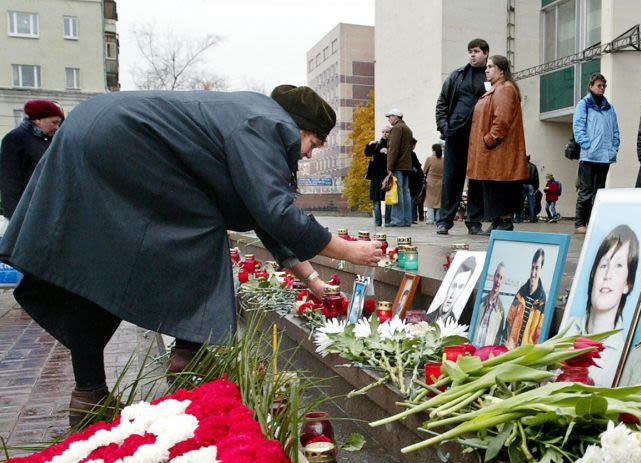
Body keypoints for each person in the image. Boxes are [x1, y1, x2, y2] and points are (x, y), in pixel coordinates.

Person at [0, 86, 385, 427]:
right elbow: (275, 210)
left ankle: (91, 394)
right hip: (122, 144)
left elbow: (264, 218)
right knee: (197, 231)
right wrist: (348, 250)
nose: (307, 156)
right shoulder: (269, 125)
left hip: (92, 131)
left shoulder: (244, 115)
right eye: (314, 145)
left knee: (102, 271)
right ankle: (187, 356)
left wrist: (313, 281)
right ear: (300, 127)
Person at [562, 225, 639, 385]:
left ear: (628, 284)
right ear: (593, 274)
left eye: (618, 266)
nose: (607, 275)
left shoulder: (625, 357)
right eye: (603, 265)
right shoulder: (566, 328)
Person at [467, 55, 528, 233]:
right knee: (493, 187)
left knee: (500, 187)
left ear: (501, 70)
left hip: (498, 150)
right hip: (493, 152)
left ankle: (504, 221)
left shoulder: (505, 89)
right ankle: (497, 221)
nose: (486, 69)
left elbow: (502, 120)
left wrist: (490, 139)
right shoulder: (497, 89)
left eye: (491, 66)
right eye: (487, 67)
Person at [435, 38, 490, 235]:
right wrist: (444, 126)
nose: (472, 55)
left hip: (480, 137)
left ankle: (474, 222)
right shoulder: (457, 76)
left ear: (485, 53)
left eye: (476, 51)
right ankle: (444, 221)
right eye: (470, 52)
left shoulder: (491, 77)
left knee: (477, 181)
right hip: (456, 134)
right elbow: (442, 102)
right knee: (451, 179)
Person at [572, 73, 620, 234]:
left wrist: (614, 148)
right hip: (589, 155)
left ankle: (594, 221)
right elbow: (578, 127)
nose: (602, 88)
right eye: (599, 85)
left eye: (604, 86)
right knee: (586, 191)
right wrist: (587, 145)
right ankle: (580, 223)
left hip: (605, 156)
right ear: (591, 86)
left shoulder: (609, 107)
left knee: (600, 191)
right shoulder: (584, 104)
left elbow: (615, 130)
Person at [1, 100, 64, 221]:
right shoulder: (15, 139)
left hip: (49, 208)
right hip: (27, 212)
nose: (57, 127)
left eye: (59, 123)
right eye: (54, 122)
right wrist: (15, 217)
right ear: (38, 120)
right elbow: (9, 181)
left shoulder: (52, 139)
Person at [504, 249, 547, 349]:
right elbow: (509, 321)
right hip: (510, 349)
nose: (533, 273)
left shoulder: (542, 301)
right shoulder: (520, 293)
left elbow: (539, 336)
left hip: (525, 353)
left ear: (542, 269)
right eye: (532, 268)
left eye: (537, 268)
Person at [384, 108, 416, 227]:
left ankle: (397, 220)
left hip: (398, 164)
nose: (389, 119)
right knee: (405, 192)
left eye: (390, 116)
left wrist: (390, 166)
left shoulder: (397, 128)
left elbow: (393, 148)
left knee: (397, 191)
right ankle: (407, 220)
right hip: (407, 165)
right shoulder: (407, 129)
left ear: (397, 117)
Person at [428, 255, 478, 323]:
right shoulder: (428, 317)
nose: (453, 295)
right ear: (449, 286)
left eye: (460, 287)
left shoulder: (456, 322)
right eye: (454, 285)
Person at [473, 262, 507, 346]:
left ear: (503, 281)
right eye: (497, 276)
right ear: (494, 276)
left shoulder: (500, 311)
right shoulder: (480, 302)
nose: (498, 281)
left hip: (487, 353)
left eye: (501, 278)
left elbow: (498, 337)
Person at [364, 125, 391, 226]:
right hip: (376, 175)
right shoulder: (376, 144)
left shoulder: (392, 145)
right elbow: (367, 153)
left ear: (390, 133)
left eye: (387, 132)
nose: (385, 133)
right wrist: (369, 145)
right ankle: (378, 222)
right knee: (376, 199)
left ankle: (388, 221)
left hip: (387, 175)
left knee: (388, 198)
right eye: (383, 131)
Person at [424, 143, 444, 226]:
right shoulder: (443, 159)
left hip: (430, 181)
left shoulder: (429, 158)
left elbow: (424, 170)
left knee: (430, 201)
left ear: (433, 150)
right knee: (438, 201)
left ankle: (430, 219)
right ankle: (438, 218)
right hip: (440, 181)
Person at [519, 155, 540, 223]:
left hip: (522, 185)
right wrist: (536, 187)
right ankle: (532, 218)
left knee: (520, 202)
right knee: (532, 203)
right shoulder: (533, 166)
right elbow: (536, 177)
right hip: (531, 186)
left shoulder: (521, 166)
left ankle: (519, 218)